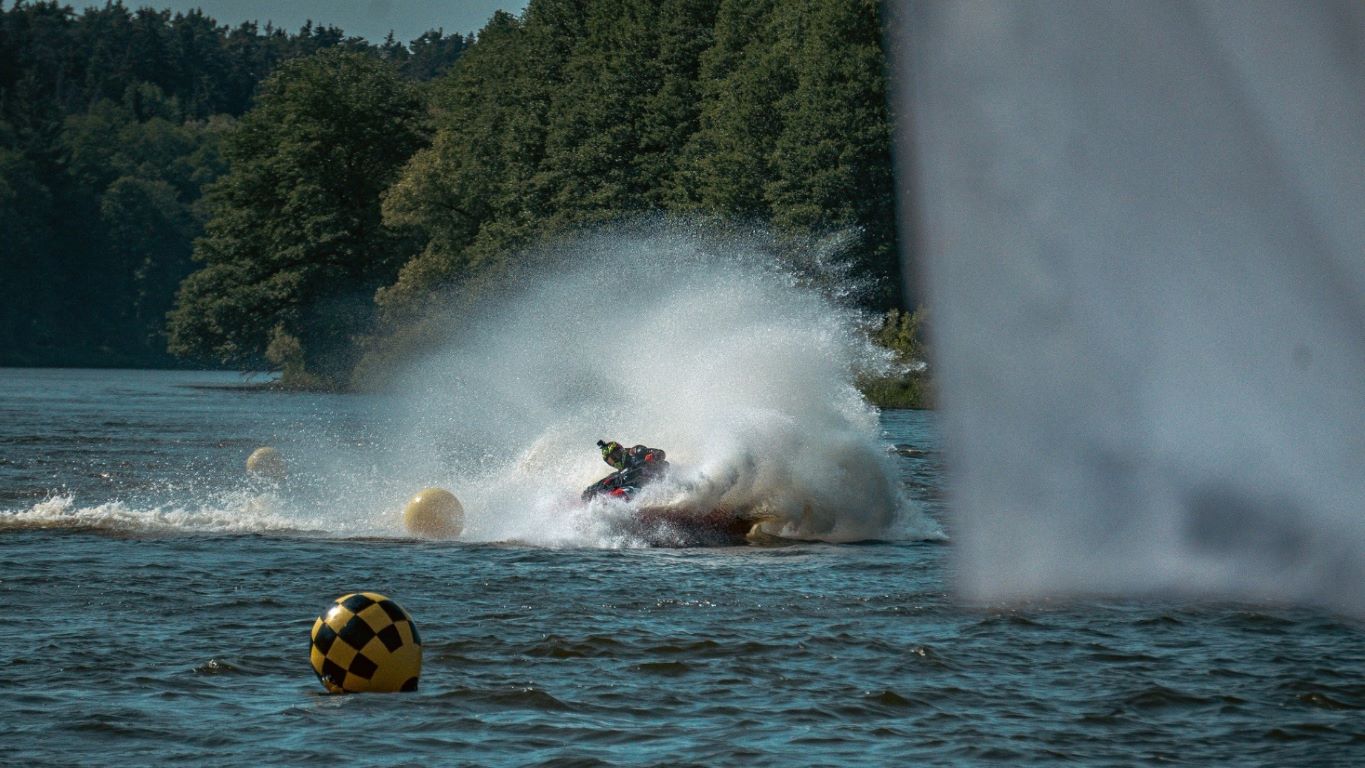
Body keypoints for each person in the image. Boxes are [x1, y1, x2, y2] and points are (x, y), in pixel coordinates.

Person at [583, 439, 669, 501]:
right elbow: (605, 482)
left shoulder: (635, 452)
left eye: (616, 455)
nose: (615, 460)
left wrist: (654, 456)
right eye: (611, 460)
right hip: (640, 488)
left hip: (660, 479)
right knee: (608, 483)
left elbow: (661, 453)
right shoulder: (618, 474)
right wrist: (589, 492)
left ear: (621, 450)